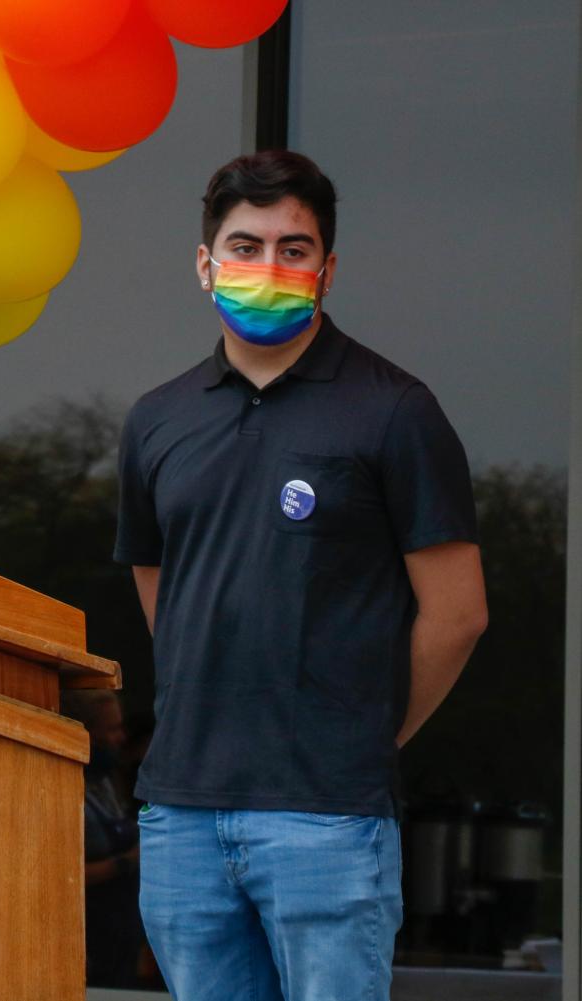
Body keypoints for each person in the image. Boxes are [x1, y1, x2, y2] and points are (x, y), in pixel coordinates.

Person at [113, 150, 488, 1001]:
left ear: (326, 268)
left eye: (293, 248)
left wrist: (367, 734)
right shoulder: (157, 419)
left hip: (327, 814)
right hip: (181, 813)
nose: (268, 267)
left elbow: (457, 613)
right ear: (204, 264)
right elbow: (157, 584)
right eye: (245, 246)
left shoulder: (394, 410)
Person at [64, 689, 147, 988]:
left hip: (121, 936)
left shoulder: (108, 782)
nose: (121, 738)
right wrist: (127, 861)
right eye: (111, 729)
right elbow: (63, 876)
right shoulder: (65, 790)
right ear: (87, 734)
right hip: (89, 938)